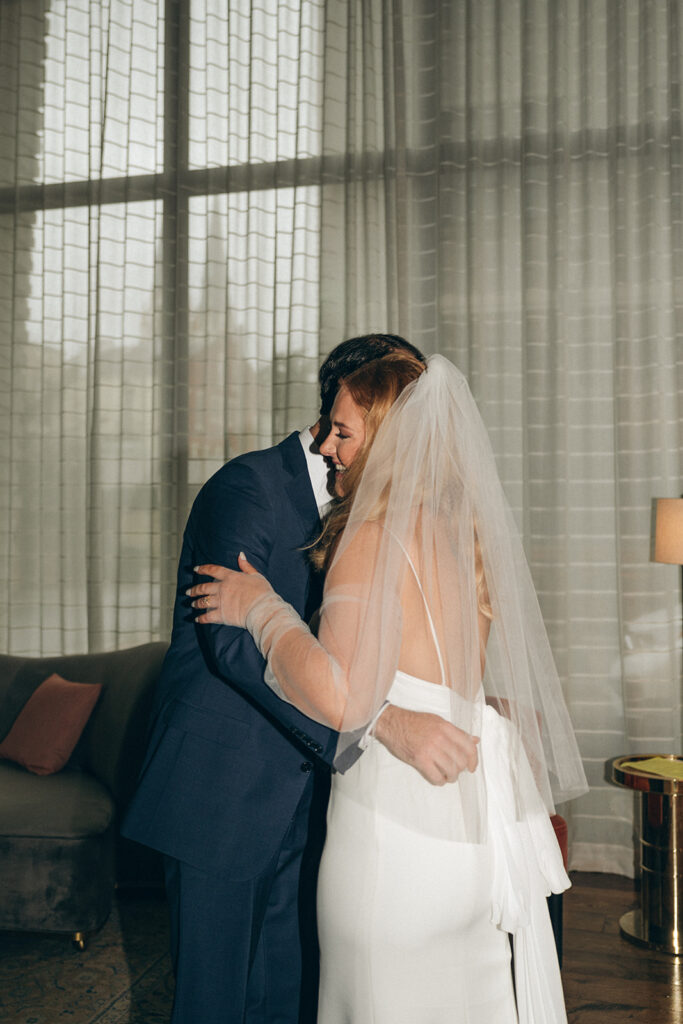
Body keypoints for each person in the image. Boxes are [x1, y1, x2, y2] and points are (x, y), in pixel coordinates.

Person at [189, 351, 589, 1023]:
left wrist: (261, 609)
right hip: (465, 844)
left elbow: (346, 698)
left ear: (384, 438)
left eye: (343, 432)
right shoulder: (461, 539)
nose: (327, 447)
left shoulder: (373, 536)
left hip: (391, 846)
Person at [121, 335, 476, 1024]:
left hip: (321, 798)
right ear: (339, 406)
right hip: (225, 791)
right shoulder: (246, 485)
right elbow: (229, 647)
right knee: (214, 1002)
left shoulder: (384, 512)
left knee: (289, 993)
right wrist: (382, 722)